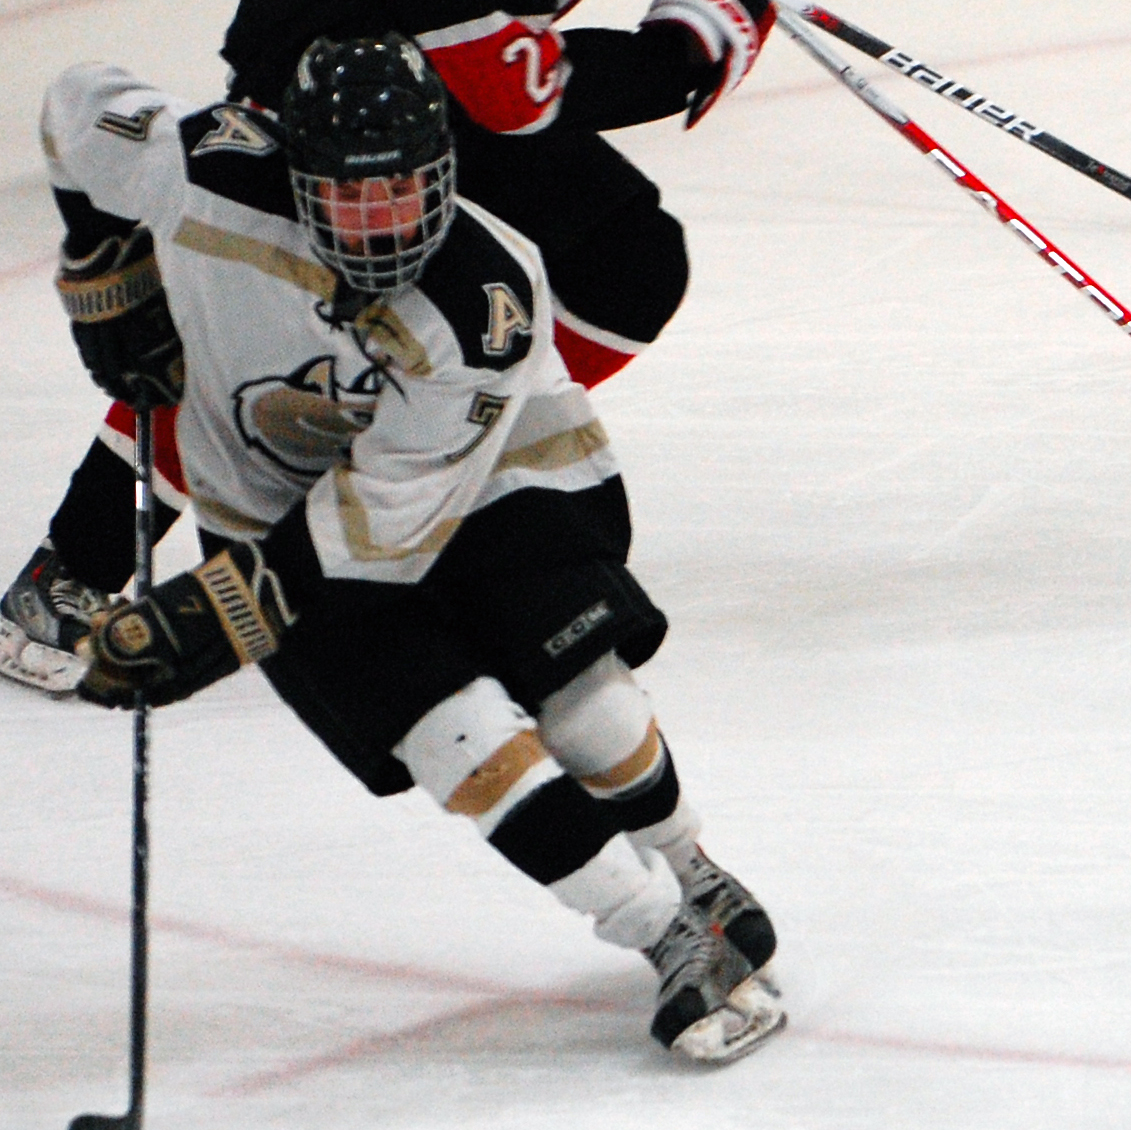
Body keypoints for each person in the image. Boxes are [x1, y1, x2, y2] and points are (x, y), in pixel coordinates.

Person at [44, 35, 784, 1063]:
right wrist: (102, 262)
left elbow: (379, 521)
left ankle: (690, 868)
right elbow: (79, 100)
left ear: (445, 167)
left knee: (581, 694)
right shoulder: (206, 168)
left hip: (494, 475)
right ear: (299, 175)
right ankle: (665, 934)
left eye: (403, 192)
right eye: (350, 200)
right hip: (274, 510)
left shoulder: (483, 302)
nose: (381, 225)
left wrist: (208, 613)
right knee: (451, 737)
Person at [2, 0, 769, 693]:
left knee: (626, 263)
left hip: (428, 85)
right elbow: (519, 92)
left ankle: (421, 462)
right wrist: (690, 45)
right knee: (272, 338)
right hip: (334, 110)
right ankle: (72, 565)